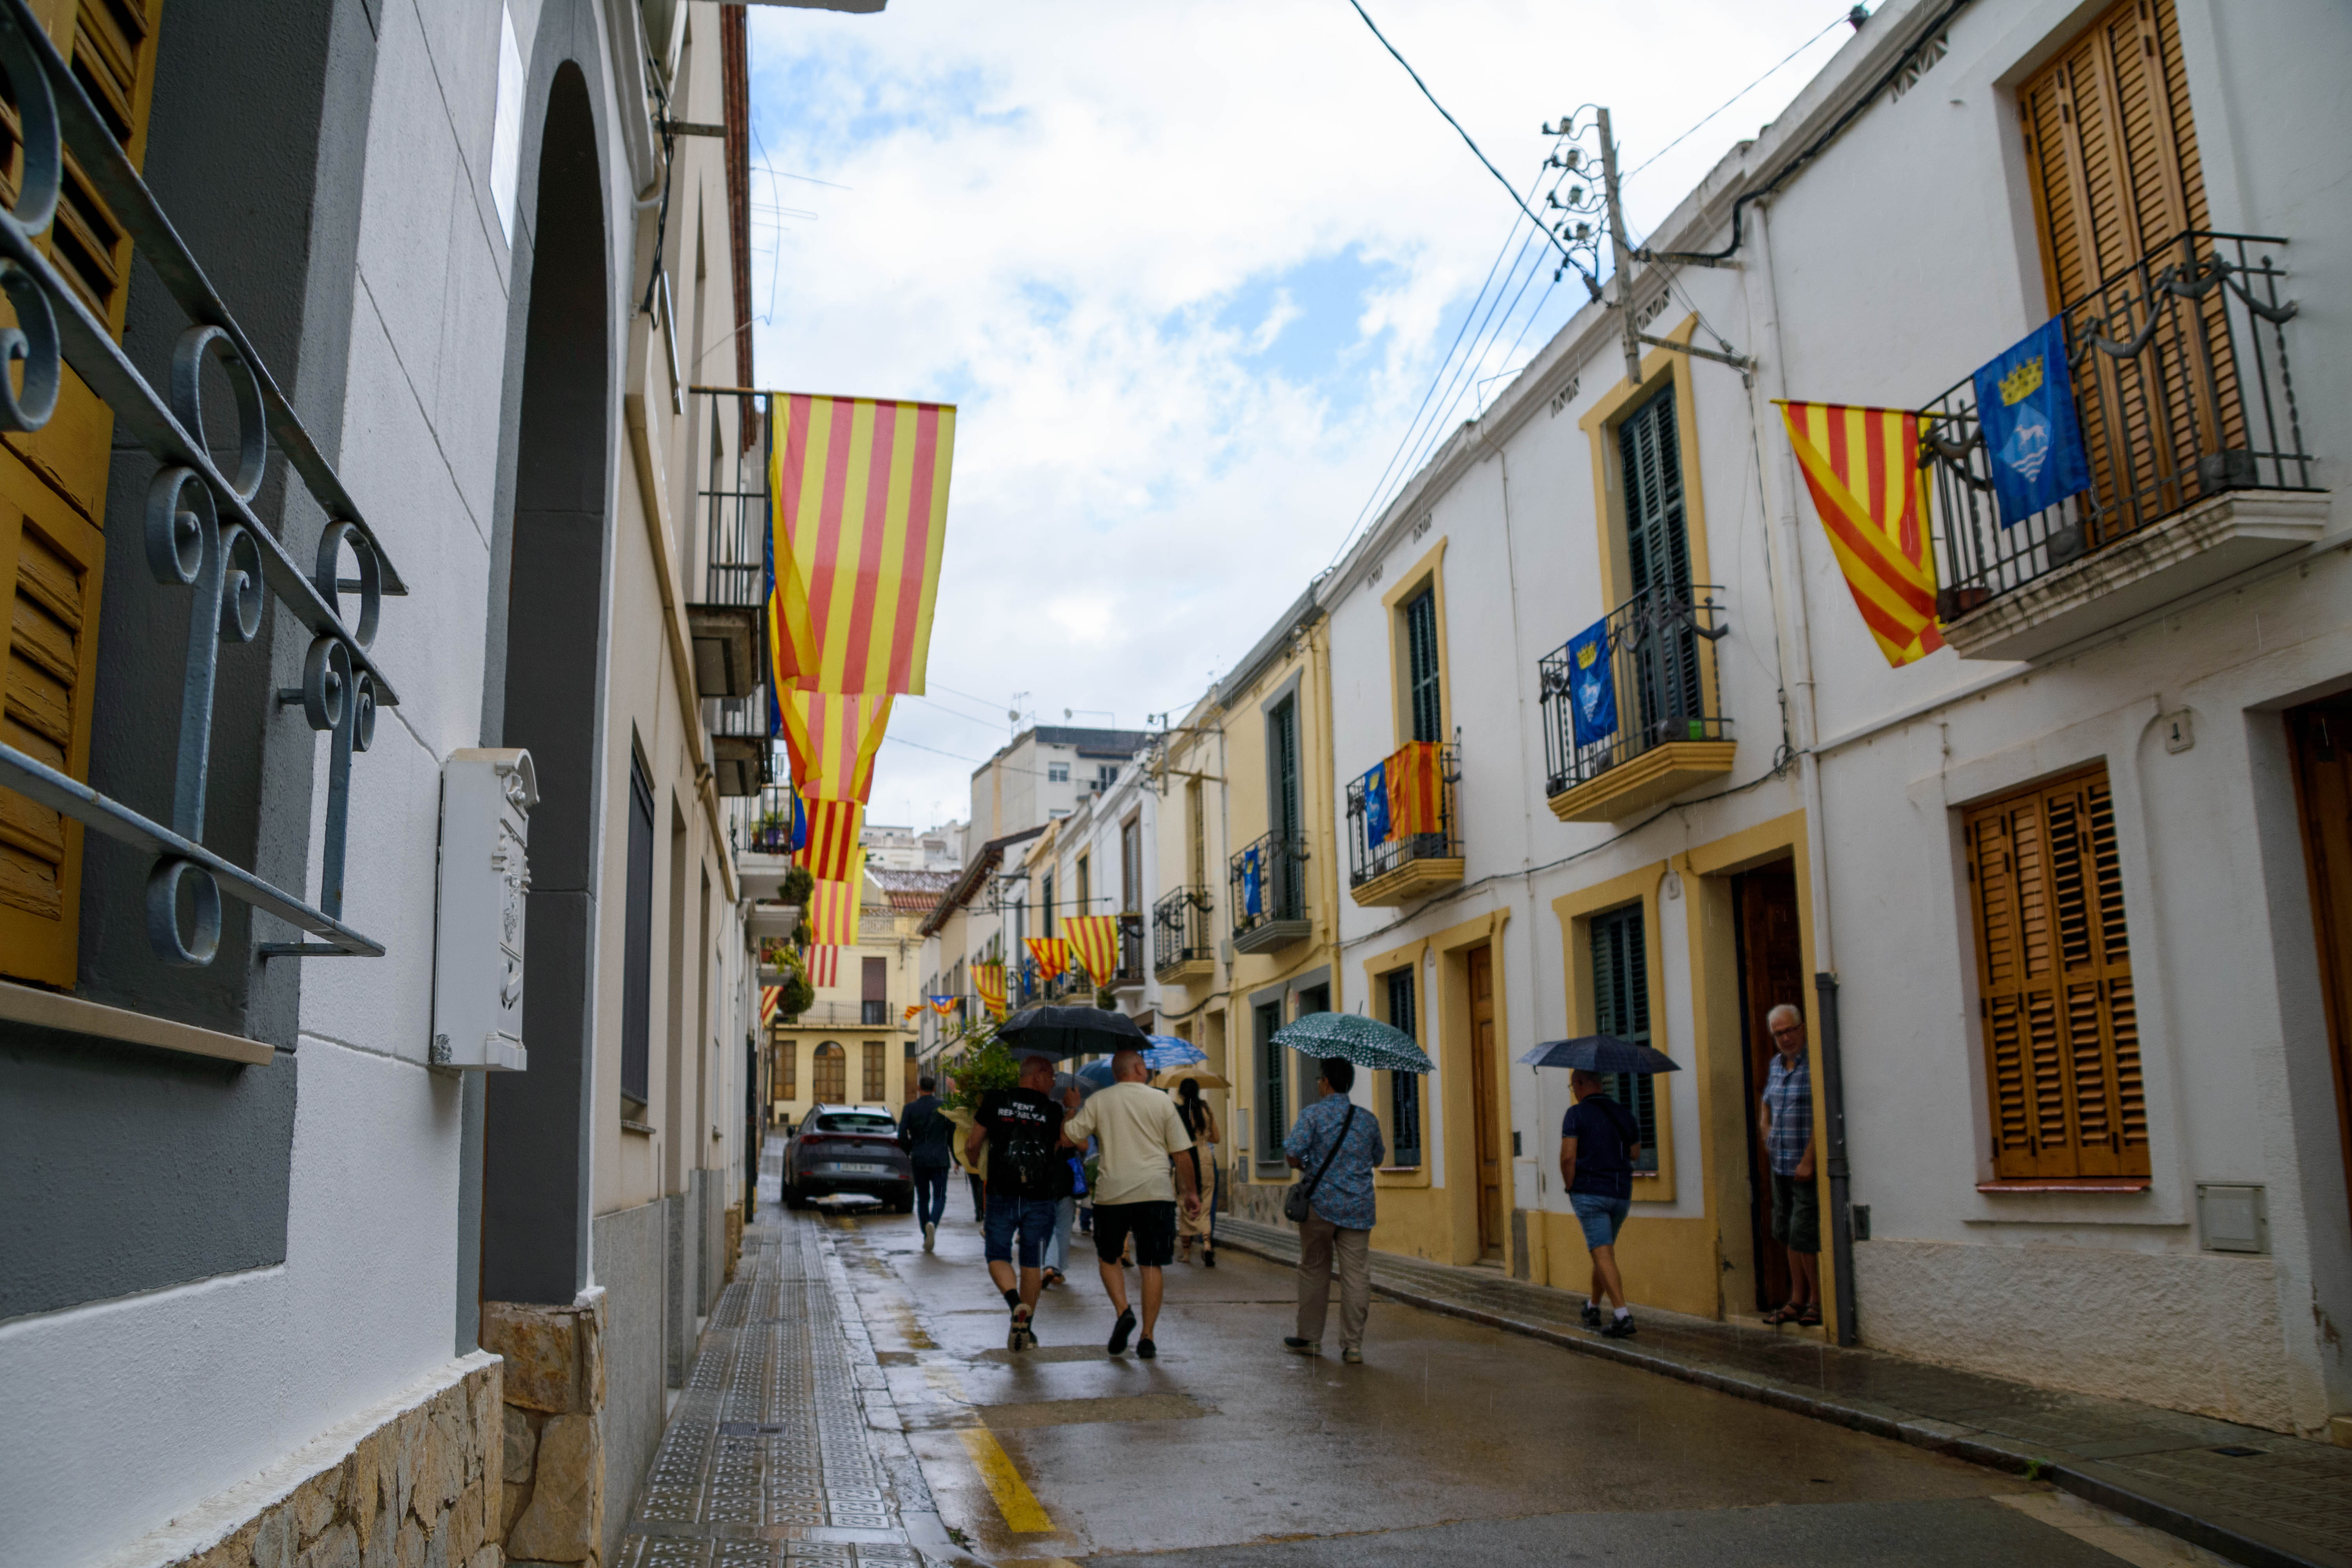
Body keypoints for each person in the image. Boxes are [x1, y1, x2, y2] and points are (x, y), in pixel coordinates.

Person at [1059, 1048, 1199, 1359]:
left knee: (1109, 1258)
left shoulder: (1098, 1102)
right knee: (1151, 1263)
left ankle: (1124, 1311)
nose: (1147, 1069)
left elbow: (1069, 1140)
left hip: (1113, 1195)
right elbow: (1182, 1153)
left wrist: (1071, 1108)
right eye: (1144, 1066)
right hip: (1156, 1192)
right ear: (1136, 1069)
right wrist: (1191, 1192)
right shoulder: (1162, 1101)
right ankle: (1147, 1337)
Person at [1281, 1058, 1385, 1365]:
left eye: (1319, 1079)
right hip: (1358, 1208)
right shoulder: (1368, 1120)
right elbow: (1378, 1158)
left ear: (1326, 1082)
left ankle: (1310, 1339)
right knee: (1357, 1276)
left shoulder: (1312, 1115)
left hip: (1320, 1207)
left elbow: (1291, 1154)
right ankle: (1353, 1346)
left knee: (1314, 1268)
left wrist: (1302, 1163)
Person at [964, 1053, 1069, 1351]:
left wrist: (976, 1165)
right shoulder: (1052, 1109)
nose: (1053, 1083)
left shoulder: (996, 1099)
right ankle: (1027, 1327)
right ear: (1037, 1075)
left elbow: (974, 1143)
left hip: (1002, 1193)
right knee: (1032, 1262)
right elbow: (1062, 1144)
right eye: (1051, 1076)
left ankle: (1015, 1305)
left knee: (998, 1256)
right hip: (1040, 1197)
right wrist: (1071, 1110)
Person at [1559, 1069, 1642, 1338]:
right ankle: (1593, 1306)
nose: (1575, 1092)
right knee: (1603, 1252)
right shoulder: (1624, 1114)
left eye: (1574, 1087)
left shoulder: (1576, 1114)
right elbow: (1635, 1152)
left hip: (1590, 1192)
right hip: (1620, 1194)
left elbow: (1568, 1158)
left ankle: (1623, 1316)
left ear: (1581, 1084)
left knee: (1602, 1253)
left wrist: (1571, 1186)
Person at [1758, 1003, 1822, 1328]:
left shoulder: (1815, 1065)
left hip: (1803, 1166)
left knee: (1803, 1233)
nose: (1785, 1038)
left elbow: (1821, 1117)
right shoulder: (1776, 1065)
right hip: (1780, 1163)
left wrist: (1810, 1159)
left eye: (1789, 1031)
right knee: (1785, 1232)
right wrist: (1766, 1132)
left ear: (1801, 1029)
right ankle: (1796, 1299)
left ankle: (1817, 1301)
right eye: (1778, 1034)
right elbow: (1766, 1104)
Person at [898, 1074, 955, 1252]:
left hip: (920, 1158)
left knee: (923, 1199)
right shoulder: (944, 1107)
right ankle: (933, 1223)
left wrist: (909, 1151)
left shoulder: (910, 1108)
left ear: (918, 1088)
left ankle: (925, 1232)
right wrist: (957, 1157)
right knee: (940, 1197)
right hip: (940, 1159)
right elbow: (952, 1135)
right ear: (935, 1089)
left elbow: (901, 1136)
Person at [1172, 1078, 1220, 1267]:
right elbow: (1216, 1138)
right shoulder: (1206, 1110)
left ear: (1182, 1094)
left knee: (1185, 1204)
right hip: (1205, 1157)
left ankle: (1186, 1254)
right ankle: (1207, 1244)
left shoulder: (1178, 1113)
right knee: (1206, 1205)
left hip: (1185, 1158)